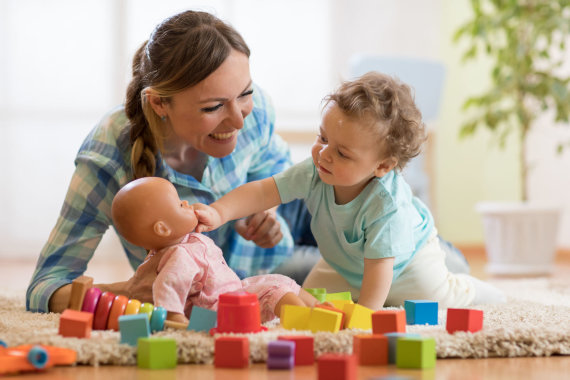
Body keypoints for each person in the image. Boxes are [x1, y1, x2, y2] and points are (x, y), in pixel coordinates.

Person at [26, 10, 318, 313]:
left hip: (299, 215)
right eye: (213, 107)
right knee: (338, 276)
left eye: (245, 93)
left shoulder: (254, 110)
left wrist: (260, 211)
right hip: (253, 279)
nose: (239, 119)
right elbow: (45, 287)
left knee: (357, 199)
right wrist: (130, 290)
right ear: (159, 103)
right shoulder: (108, 154)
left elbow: (276, 168)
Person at [194, 72, 506, 310]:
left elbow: (380, 268)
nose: (325, 153)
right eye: (322, 137)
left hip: (406, 263)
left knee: (434, 296)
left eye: (343, 153)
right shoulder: (317, 168)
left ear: (382, 166)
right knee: (310, 301)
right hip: (342, 261)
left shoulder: (387, 206)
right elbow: (264, 192)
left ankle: (483, 291)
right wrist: (219, 211)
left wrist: (365, 315)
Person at [111, 177, 319, 324]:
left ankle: (320, 309)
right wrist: (173, 315)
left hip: (234, 291)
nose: (186, 202)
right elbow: (169, 283)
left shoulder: (187, 242)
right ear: (163, 229)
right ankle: (307, 324)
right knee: (275, 291)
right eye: (179, 204)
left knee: (278, 281)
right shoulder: (178, 255)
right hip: (218, 308)